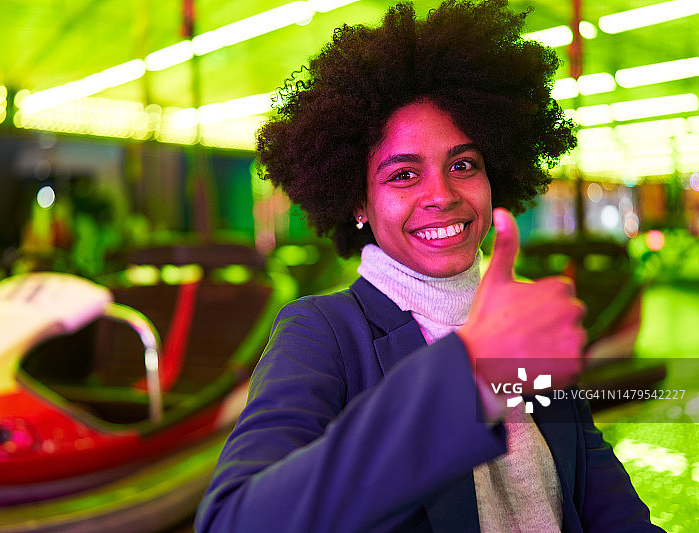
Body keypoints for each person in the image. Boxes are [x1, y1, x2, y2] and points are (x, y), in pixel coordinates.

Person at [195, 1, 663, 531]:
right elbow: (234, 519)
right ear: (359, 202)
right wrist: (473, 376)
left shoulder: (521, 320)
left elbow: (608, 508)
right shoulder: (323, 333)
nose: (442, 195)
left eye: (462, 165)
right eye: (403, 174)